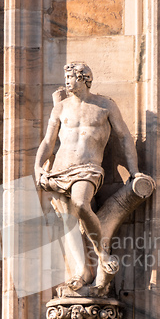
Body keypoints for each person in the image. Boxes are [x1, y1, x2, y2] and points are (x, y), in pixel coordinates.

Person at [35, 62, 143, 289]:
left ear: (84, 79)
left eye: (70, 77)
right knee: (68, 218)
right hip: (61, 168)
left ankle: (102, 253)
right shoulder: (61, 107)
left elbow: (124, 137)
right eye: (65, 77)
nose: (66, 81)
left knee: (81, 205)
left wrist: (133, 171)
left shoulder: (105, 105)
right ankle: (81, 269)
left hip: (88, 168)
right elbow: (48, 141)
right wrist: (38, 166)